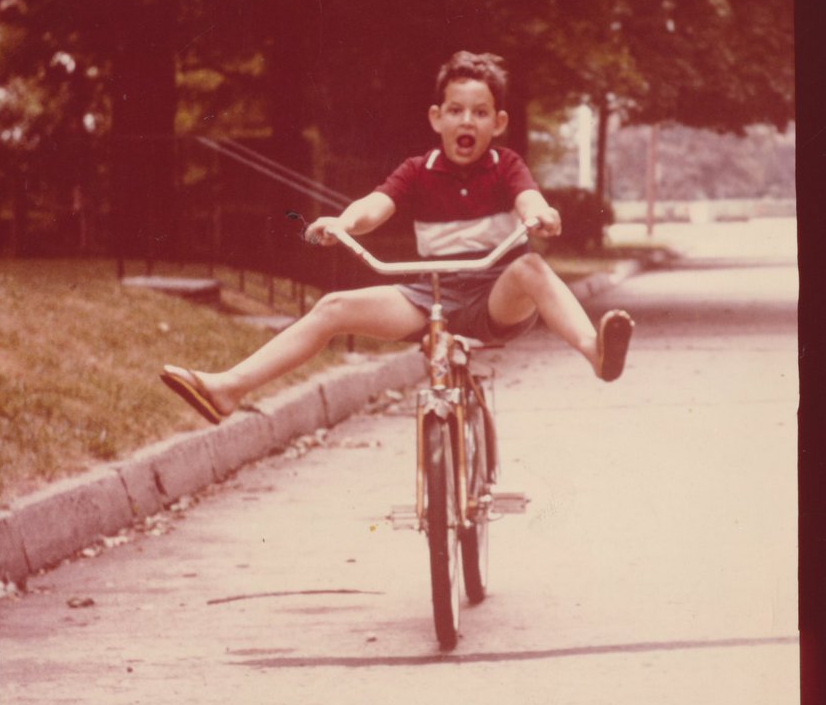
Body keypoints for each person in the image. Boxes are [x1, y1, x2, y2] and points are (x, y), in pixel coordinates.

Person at [160, 51, 634, 425]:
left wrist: (542, 214)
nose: (466, 122)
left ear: (498, 123)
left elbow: (528, 199)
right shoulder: (417, 171)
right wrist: (343, 223)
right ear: (436, 118)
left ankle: (596, 352)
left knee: (529, 267)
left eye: (480, 113)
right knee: (332, 308)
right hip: (430, 294)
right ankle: (229, 388)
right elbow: (374, 207)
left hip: (496, 297)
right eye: (455, 111)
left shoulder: (504, 166)